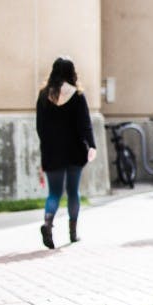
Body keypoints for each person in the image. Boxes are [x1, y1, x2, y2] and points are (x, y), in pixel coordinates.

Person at [36, 57, 97, 249]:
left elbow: (40, 127)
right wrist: (91, 145)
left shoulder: (44, 95)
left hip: (52, 151)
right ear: (72, 72)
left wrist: (46, 147)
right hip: (75, 150)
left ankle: (47, 224)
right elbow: (85, 124)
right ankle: (73, 233)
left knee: (54, 192)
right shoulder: (77, 96)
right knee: (73, 191)